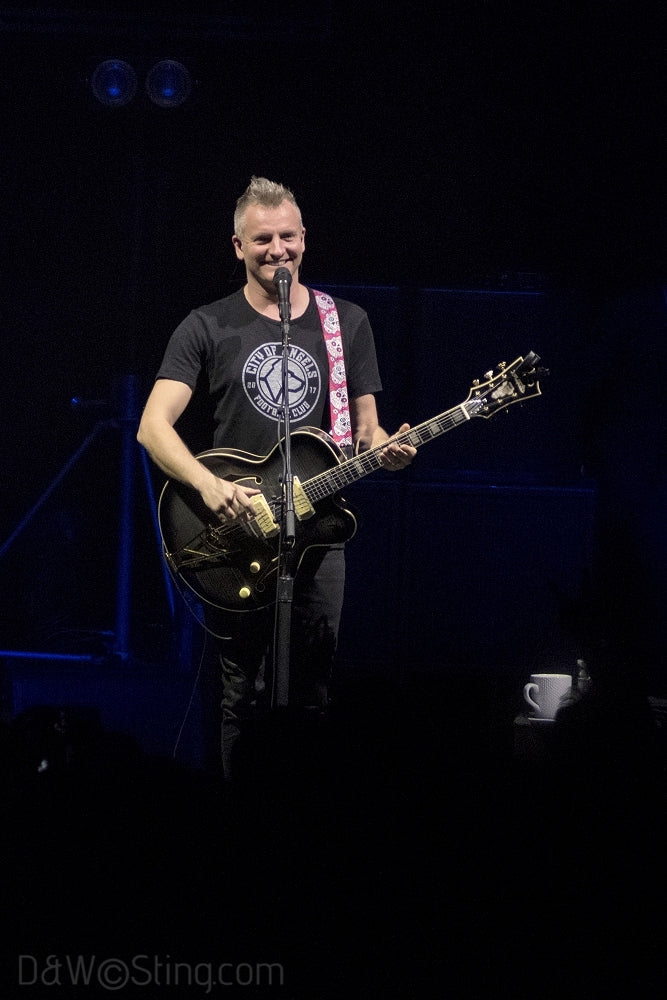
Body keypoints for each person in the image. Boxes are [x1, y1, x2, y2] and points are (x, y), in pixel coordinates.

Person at [137, 176, 415, 781]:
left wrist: (388, 448)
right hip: (237, 533)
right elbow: (153, 428)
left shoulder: (347, 324)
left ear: (304, 239)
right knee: (242, 695)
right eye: (262, 239)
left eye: (287, 237)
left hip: (318, 533)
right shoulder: (206, 326)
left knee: (313, 692)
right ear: (238, 246)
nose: (277, 250)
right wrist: (209, 487)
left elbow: (366, 431)